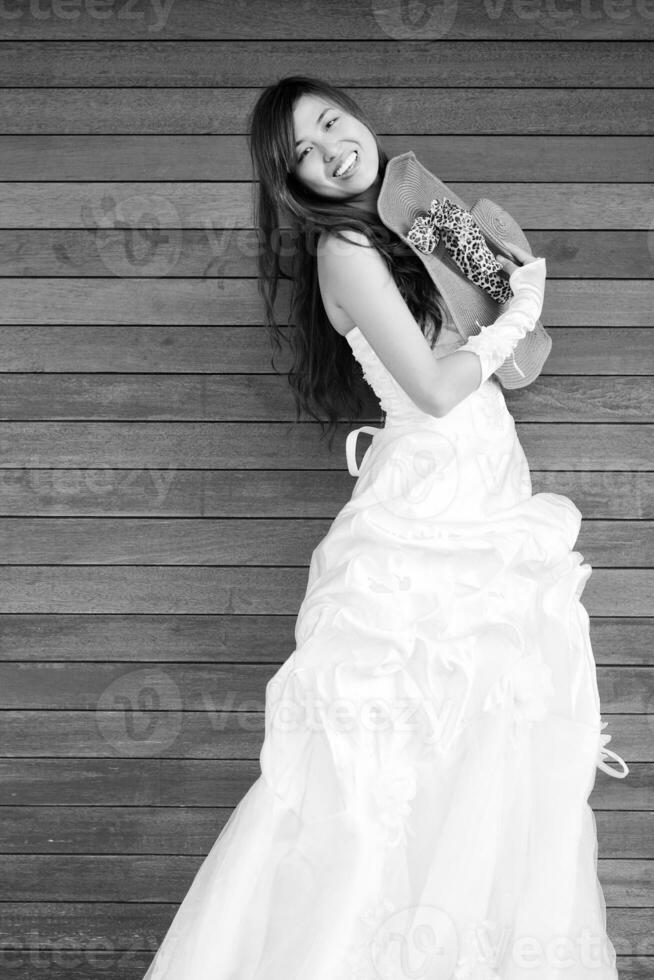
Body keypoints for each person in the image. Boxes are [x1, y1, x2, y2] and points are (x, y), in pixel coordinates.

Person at [142, 76, 629, 980]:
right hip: (430, 496)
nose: (330, 150)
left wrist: (503, 282)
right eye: (303, 155)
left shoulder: (412, 211)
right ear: (293, 184)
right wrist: (521, 303)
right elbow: (441, 392)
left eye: (331, 122)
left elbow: (517, 365)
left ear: (357, 117)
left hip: (490, 482)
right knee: (385, 760)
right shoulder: (341, 252)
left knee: (492, 738)